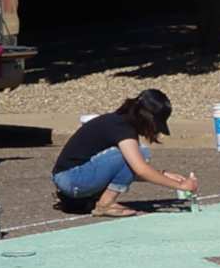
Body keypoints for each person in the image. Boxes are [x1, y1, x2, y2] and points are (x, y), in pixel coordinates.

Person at [47, 90, 195, 219]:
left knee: (135, 154)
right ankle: (105, 204)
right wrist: (180, 186)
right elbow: (140, 169)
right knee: (140, 152)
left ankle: (92, 201)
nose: (155, 130)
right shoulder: (123, 130)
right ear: (147, 118)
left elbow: (123, 169)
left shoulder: (119, 122)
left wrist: (164, 174)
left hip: (70, 179)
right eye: (156, 125)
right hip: (73, 179)